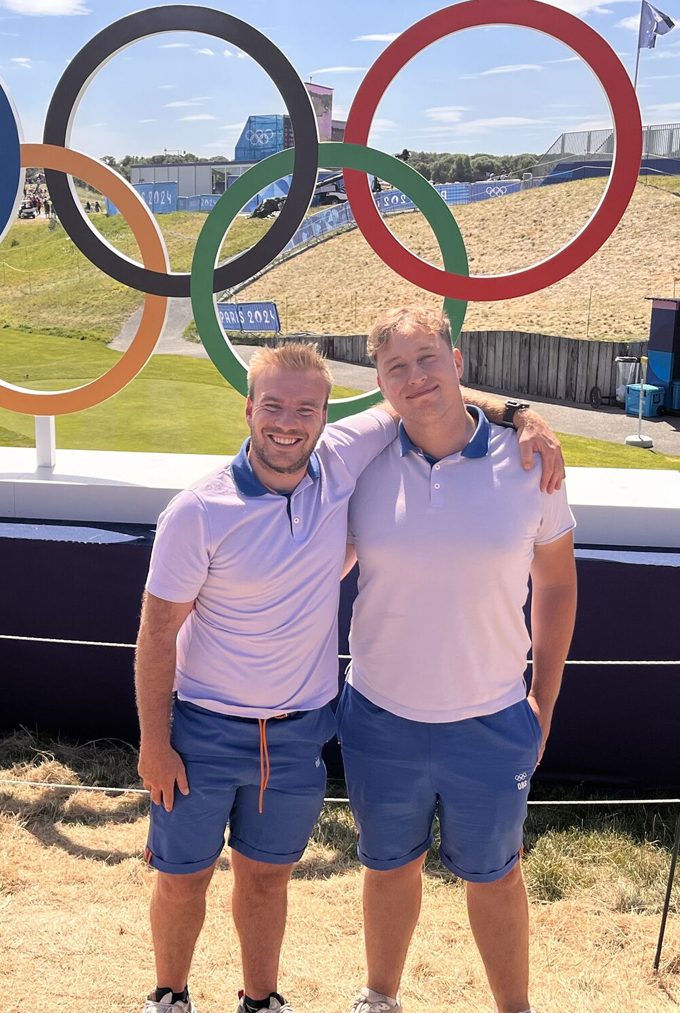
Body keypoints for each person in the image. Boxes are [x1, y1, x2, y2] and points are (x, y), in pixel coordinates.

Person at [135, 342, 564, 1013]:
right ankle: (170, 995)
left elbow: (426, 394)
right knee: (182, 879)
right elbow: (157, 634)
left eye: (305, 407)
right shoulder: (198, 509)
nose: (287, 421)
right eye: (272, 405)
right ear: (248, 409)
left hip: (300, 734)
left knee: (266, 881)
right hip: (202, 731)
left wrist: (521, 412)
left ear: (327, 416)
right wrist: (154, 743)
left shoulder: (341, 460)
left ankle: (260, 999)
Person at [338, 307, 577, 1013]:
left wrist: (545, 702)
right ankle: (379, 996)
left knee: (497, 876)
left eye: (427, 359)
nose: (416, 379)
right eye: (396, 368)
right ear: (379, 382)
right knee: (387, 866)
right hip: (379, 715)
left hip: (493, 717)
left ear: (459, 362)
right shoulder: (362, 464)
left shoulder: (532, 461)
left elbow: (558, 583)